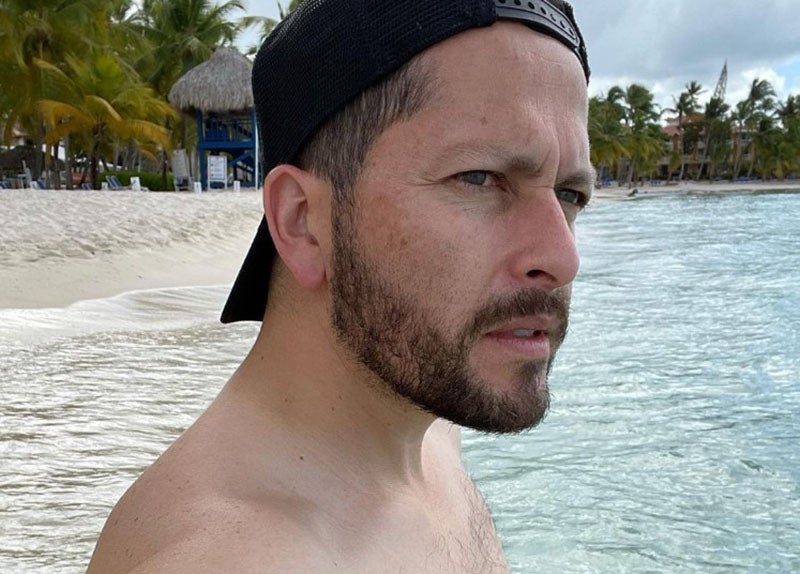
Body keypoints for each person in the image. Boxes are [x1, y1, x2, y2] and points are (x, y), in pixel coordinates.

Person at [87, 0, 593, 571]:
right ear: (303, 221)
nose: (563, 257)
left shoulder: (423, 428)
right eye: (480, 179)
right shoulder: (232, 557)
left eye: (570, 194)